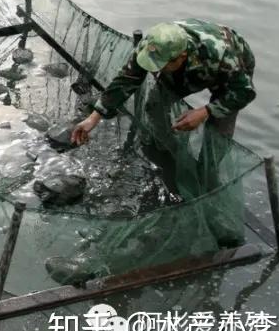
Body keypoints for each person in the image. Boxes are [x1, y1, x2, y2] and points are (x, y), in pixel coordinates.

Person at [71, 20, 256, 247]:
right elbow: (126, 80)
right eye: (153, 64)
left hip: (228, 77)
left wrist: (205, 112)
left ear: (180, 57)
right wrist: (94, 116)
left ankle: (208, 186)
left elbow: (245, 93)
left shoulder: (220, 54)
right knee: (154, 107)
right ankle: (171, 157)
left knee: (216, 138)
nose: (154, 69)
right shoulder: (152, 46)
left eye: (160, 64)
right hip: (184, 71)